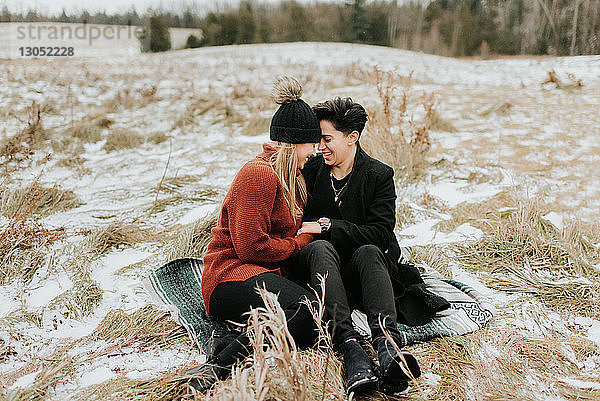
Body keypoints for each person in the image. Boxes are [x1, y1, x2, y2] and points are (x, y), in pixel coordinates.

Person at [295, 97, 448, 395]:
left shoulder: (378, 175)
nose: (321, 146)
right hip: (323, 270)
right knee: (319, 248)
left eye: (328, 139)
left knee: (369, 250)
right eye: (319, 140)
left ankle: (388, 347)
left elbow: (379, 233)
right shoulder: (310, 171)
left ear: (352, 137)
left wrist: (328, 226)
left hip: (365, 270)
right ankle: (350, 347)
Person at [185, 77, 321, 392]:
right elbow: (251, 248)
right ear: (293, 144)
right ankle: (215, 369)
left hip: (261, 273)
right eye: (310, 144)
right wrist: (298, 243)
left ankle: (239, 335)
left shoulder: (292, 178)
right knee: (305, 310)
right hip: (229, 275)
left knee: (315, 318)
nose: (314, 152)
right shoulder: (258, 174)